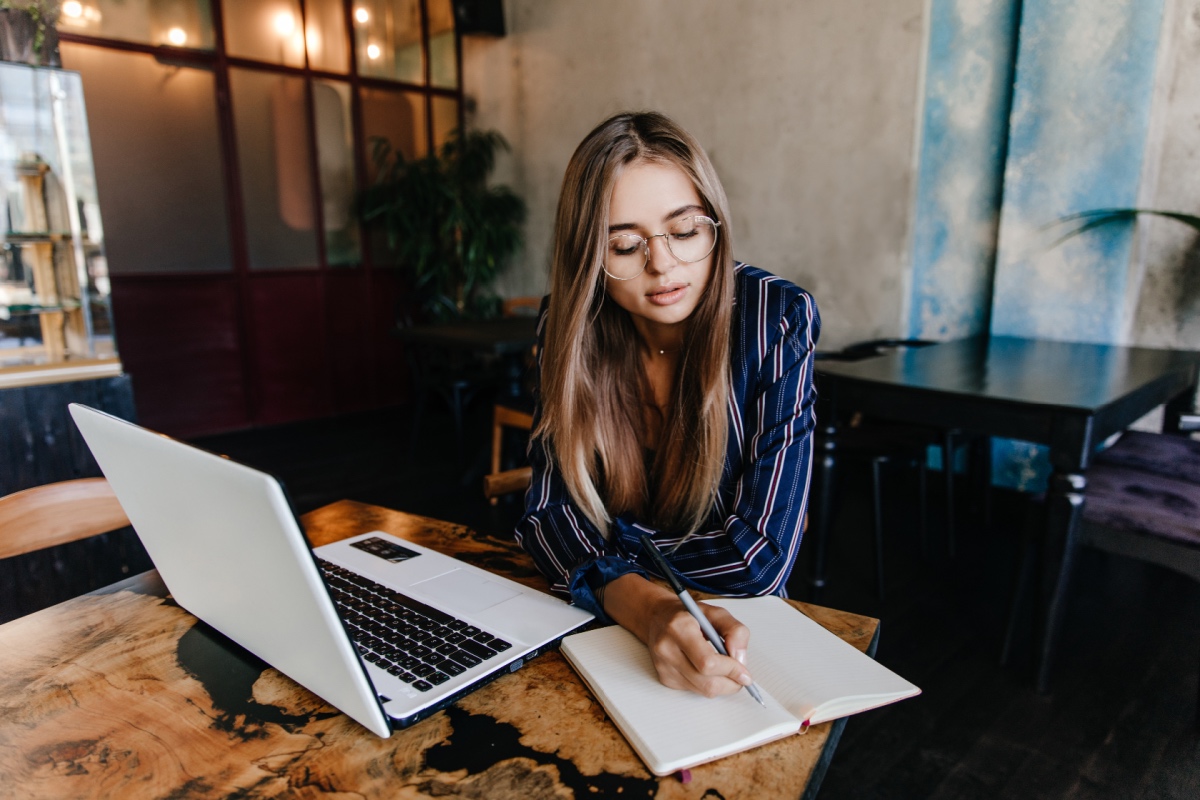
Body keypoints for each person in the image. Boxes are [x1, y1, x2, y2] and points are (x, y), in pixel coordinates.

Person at [514, 111, 820, 700]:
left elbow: (759, 560)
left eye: (684, 231)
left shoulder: (774, 318)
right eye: (625, 245)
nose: (662, 264)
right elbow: (547, 516)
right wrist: (644, 605)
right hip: (606, 630)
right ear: (588, 259)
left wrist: (605, 568)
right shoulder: (568, 324)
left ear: (716, 225)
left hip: (737, 640)